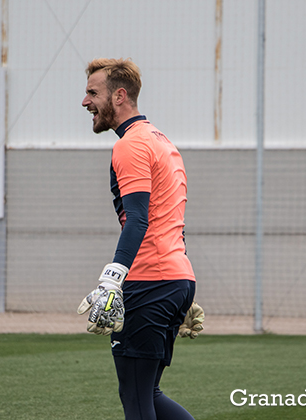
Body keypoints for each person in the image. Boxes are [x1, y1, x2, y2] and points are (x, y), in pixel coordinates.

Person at [76, 58, 200, 420]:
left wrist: (111, 280)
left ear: (119, 95)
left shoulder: (130, 145)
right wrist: (180, 291)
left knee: (135, 397)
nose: (85, 102)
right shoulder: (163, 141)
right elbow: (171, 221)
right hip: (174, 279)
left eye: (92, 92)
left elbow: (138, 220)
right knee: (148, 392)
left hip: (150, 281)